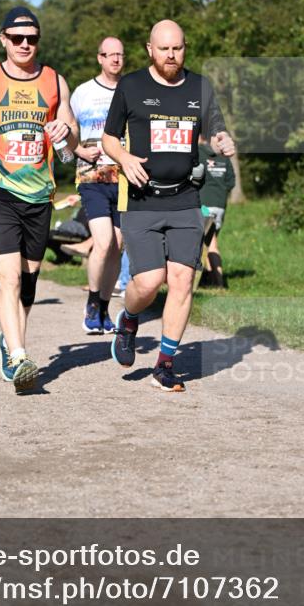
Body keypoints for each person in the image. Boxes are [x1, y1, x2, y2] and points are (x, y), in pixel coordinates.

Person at [102, 20, 235, 392]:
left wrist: (222, 140)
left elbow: (216, 127)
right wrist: (124, 158)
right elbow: (109, 138)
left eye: (177, 48)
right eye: (164, 49)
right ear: (150, 49)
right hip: (142, 198)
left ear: (185, 47)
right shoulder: (131, 86)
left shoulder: (199, 86)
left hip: (185, 197)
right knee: (148, 281)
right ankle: (129, 318)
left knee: (181, 280)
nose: (171, 55)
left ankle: (164, 365)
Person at [0, 6, 78, 393]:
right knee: (8, 277)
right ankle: (20, 356)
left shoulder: (55, 81)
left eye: (32, 38)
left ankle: (8, 342)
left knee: (27, 283)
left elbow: (72, 139)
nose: (25, 44)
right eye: (17, 38)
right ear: (3, 39)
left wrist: (66, 133)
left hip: (39, 194)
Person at [70, 37, 125, 334]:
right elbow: (65, 129)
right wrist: (78, 150)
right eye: (110, 55)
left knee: (118, 245)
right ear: (99, 58)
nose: (115, 59)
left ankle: (104, 307)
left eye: (120, 55)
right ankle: (92, 303)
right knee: (103, 242)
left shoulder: (132, 89)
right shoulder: (83, 92)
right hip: (92, 176)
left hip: (125, 178)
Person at [198, 134, 236, 288]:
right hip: (220, 206)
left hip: (204, 205)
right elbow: (230, 182)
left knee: (210, 244)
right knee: (207, 243)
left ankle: (219, 283)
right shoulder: (224, 156)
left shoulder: (198, 152)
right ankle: (208, 278)